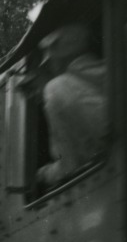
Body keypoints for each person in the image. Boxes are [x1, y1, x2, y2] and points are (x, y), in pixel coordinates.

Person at [36, 23, 109, 188]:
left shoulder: (57, 88)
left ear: (58, 57)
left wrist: (44, 174)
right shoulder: (110, 71)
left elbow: (70, 167)